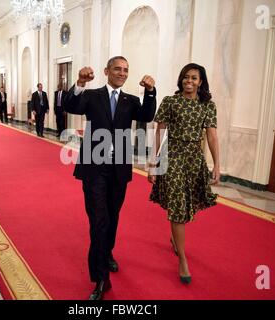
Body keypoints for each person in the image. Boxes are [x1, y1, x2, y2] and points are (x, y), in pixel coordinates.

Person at [64, 56, 157, 300]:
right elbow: (69, 106)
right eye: (117, 69)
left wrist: (150, 91)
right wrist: (80, 83)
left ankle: (107, 253)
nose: (122, 73)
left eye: (126, 70)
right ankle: (100, 279)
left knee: (112, 216)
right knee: (98, 221)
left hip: (119, 169)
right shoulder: (91, 96)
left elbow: (147, 116)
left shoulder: (131, 100)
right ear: (107, 71)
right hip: (94, 167)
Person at [148, 63, 220, 285]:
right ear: (181, 79)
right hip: (173, 158)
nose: (189, 81)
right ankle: (183, 259)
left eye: (194, 78)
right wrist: (154, 161)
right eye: (186, 77)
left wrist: (217, 165)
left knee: (185, 205)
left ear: (201, 82)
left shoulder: (208, 105)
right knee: (179, 207)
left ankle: (175, 239)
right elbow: (159, 131)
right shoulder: (170, 101)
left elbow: (212, 136)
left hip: (194, 160)